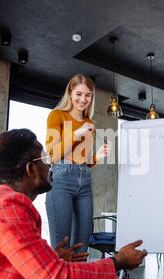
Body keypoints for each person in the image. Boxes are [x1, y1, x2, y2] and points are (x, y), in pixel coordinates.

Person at [0, 129, 147, 279]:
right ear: (31, 169)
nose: (51, 164)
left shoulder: (1, 203)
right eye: (44, 158)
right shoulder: (8, 209)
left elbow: (14, 264)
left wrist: (50, 258)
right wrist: (117, 262)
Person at [45, 74, 111, 253]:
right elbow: (53, 155)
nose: (83, 99)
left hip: (85, 180)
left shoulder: (89, 123)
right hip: (61, 179)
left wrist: (97, 156)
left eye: (88, 95)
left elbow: (84, 161)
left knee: (82, 246)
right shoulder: (57, 115)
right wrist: (76, 134)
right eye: (79, 94)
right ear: (70, 93)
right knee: (63, 247)